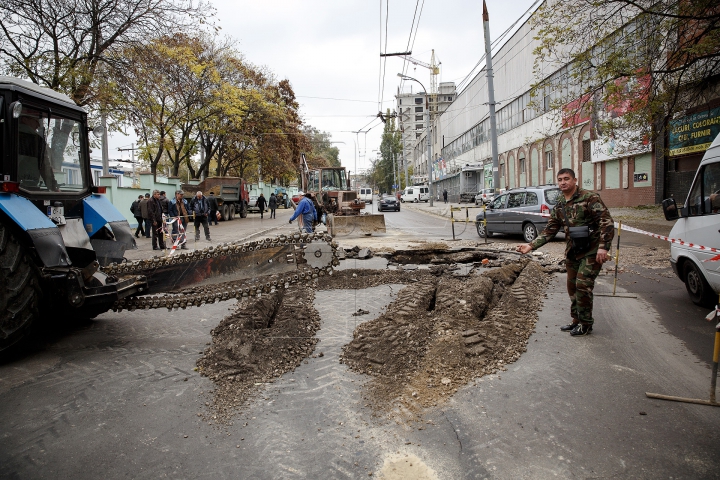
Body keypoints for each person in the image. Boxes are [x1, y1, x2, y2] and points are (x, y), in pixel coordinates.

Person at [516, 168, 614, 337]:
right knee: (572, 287)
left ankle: (585, 324)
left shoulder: (590, 198)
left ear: (575, 180)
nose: (563, 182)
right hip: (573, 251)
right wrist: (531, 245)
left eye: (566, 179)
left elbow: (606, 222)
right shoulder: (560, 203)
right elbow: (550, 229)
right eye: (560, 179)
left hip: (592, 250)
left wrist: (603, 247)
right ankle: (576, 320)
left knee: (583, 285)